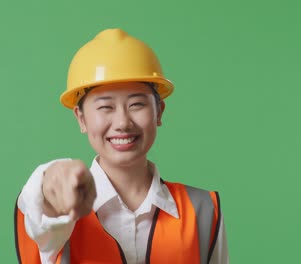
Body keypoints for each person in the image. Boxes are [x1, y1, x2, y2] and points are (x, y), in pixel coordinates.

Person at [14, 28, 229, 264]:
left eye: (136, 104)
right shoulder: (60, 213)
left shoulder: (202, 209)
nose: (123, 123)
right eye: (106, 107)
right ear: (81, 118)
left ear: (159, 112)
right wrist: (53, 178)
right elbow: (39, 201)